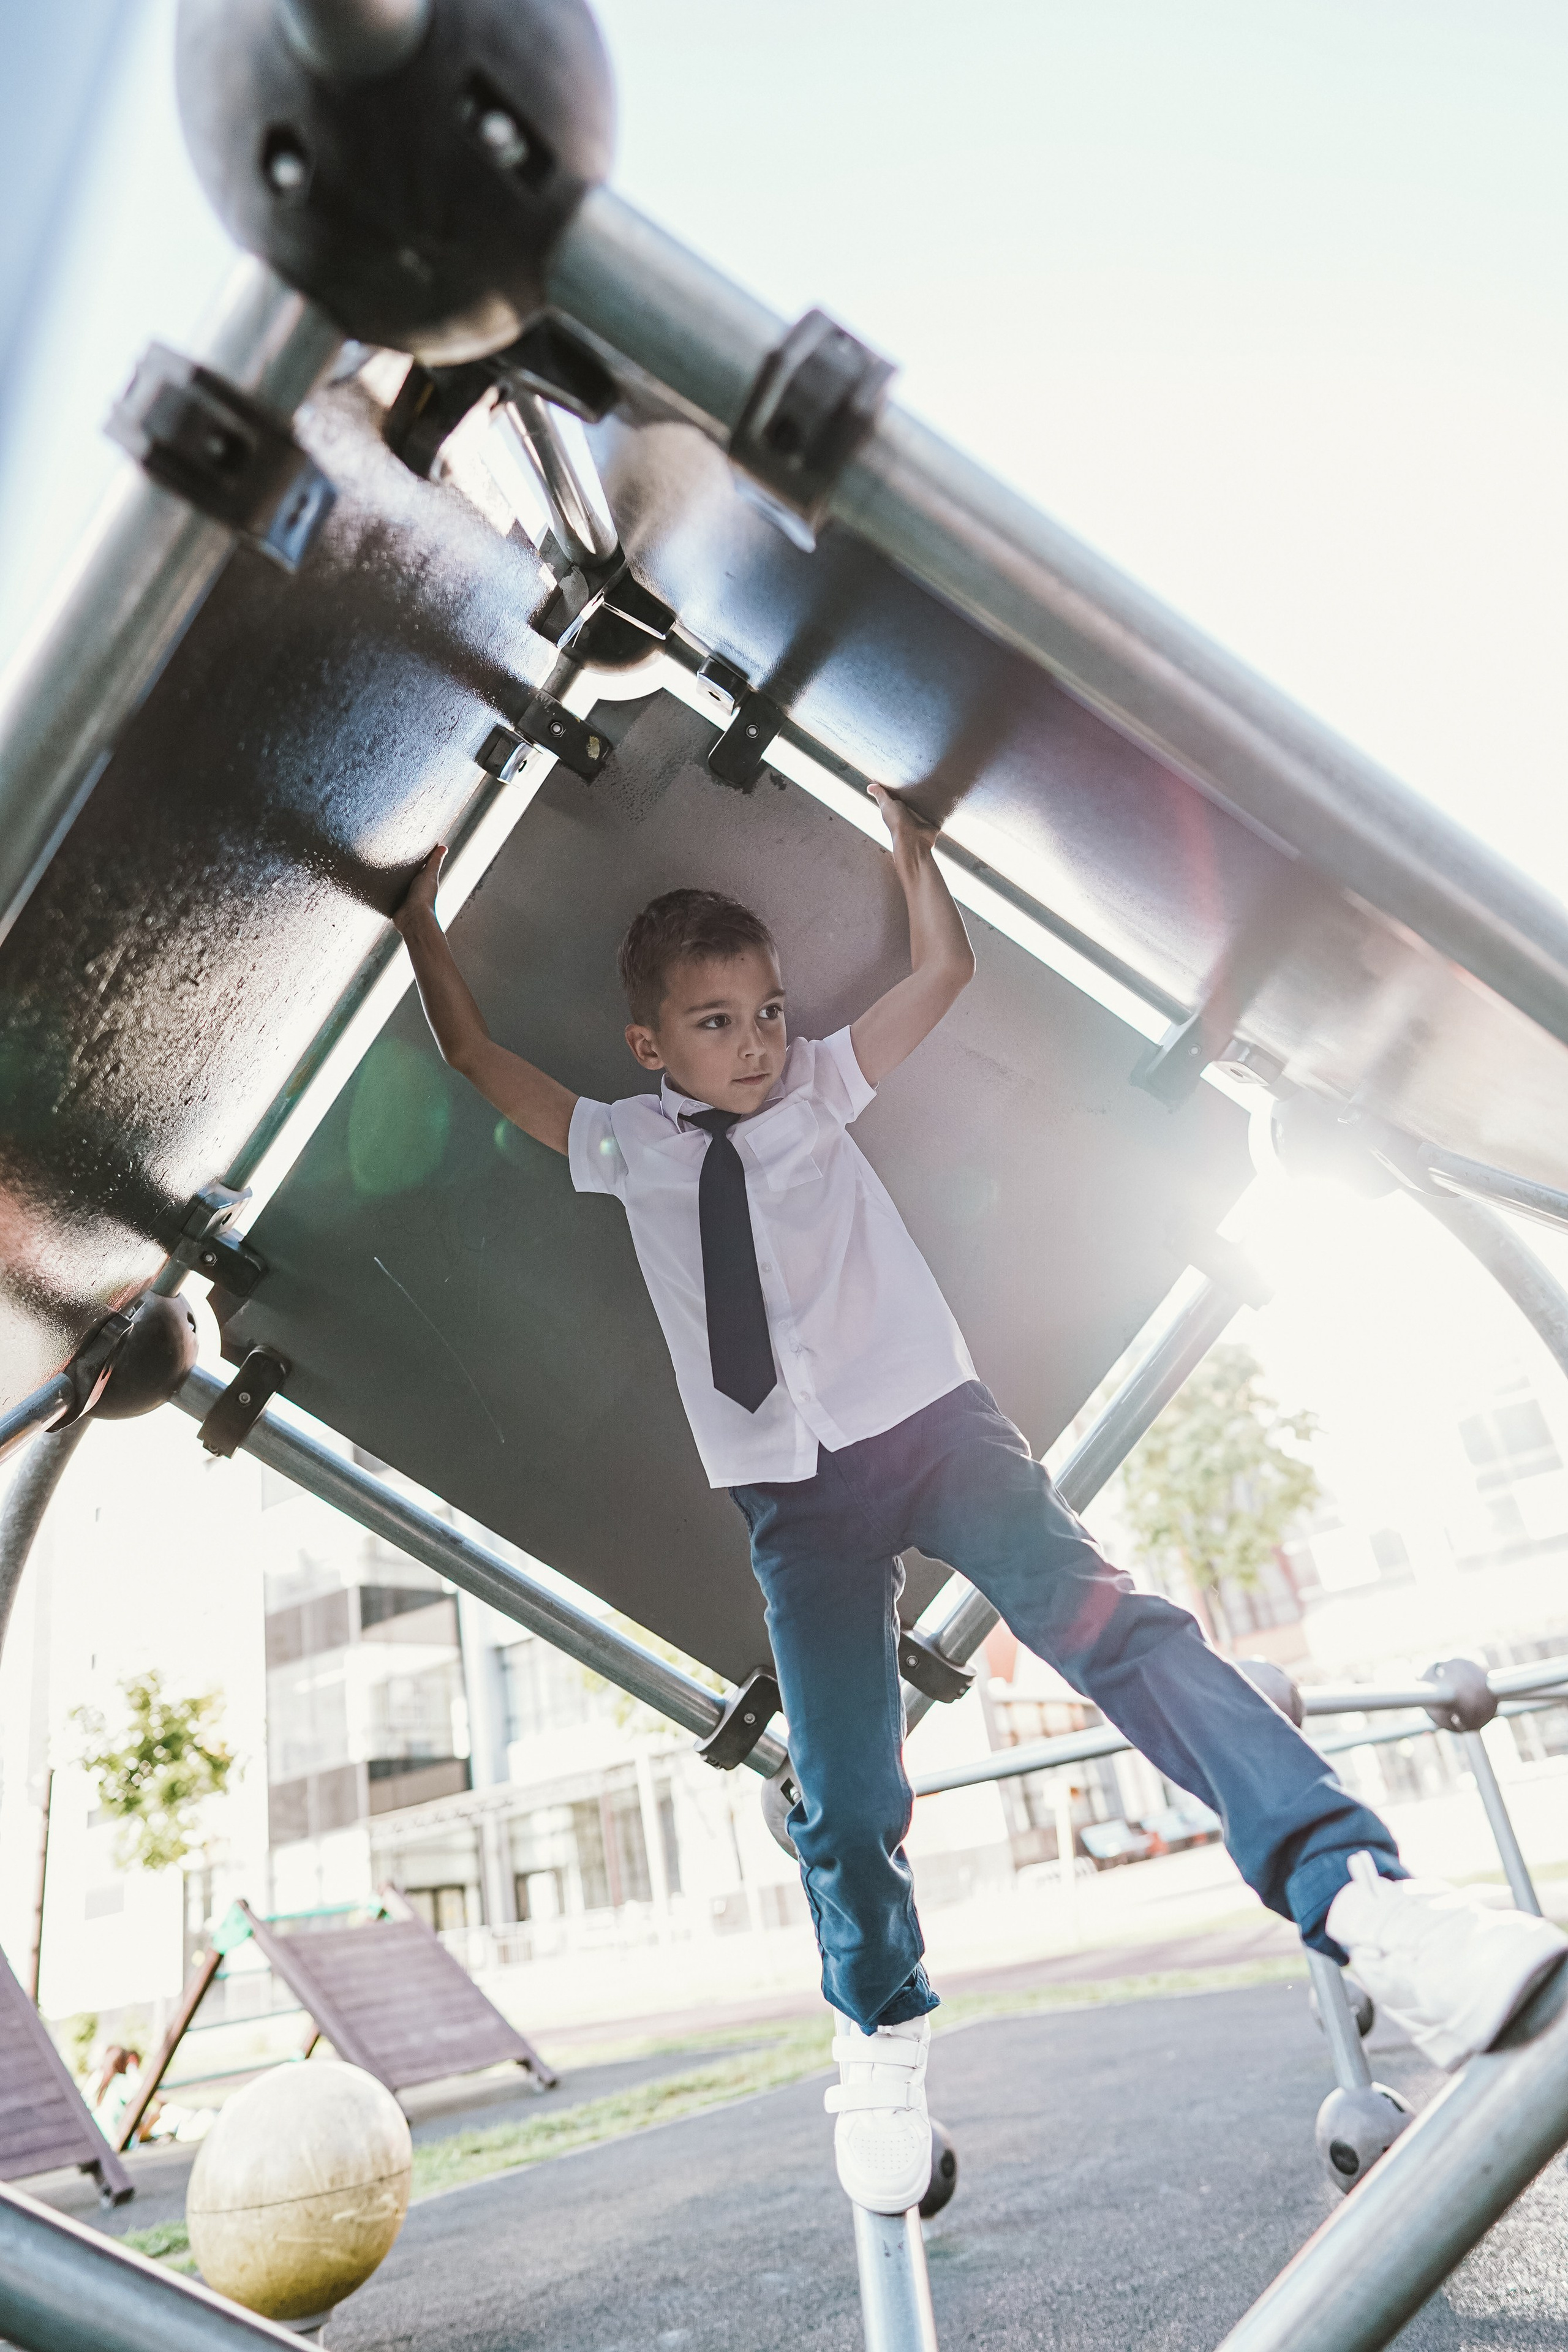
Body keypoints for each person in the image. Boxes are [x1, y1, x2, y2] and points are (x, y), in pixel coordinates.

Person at [394, 790, 1566, 2215]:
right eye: (717, 1023)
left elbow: (939, 974)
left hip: (932, 1429)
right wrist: (415, 922)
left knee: (1115, 1630)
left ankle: (1359, 1898)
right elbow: (468, 1054)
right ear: (652, 1045)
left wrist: (913, 852)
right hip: (789, 1497)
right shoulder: (621, 1143)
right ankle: (880, 2031)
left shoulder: (820, 1080)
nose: (757, 1042)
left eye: (766, 1011)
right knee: (842, 1788)